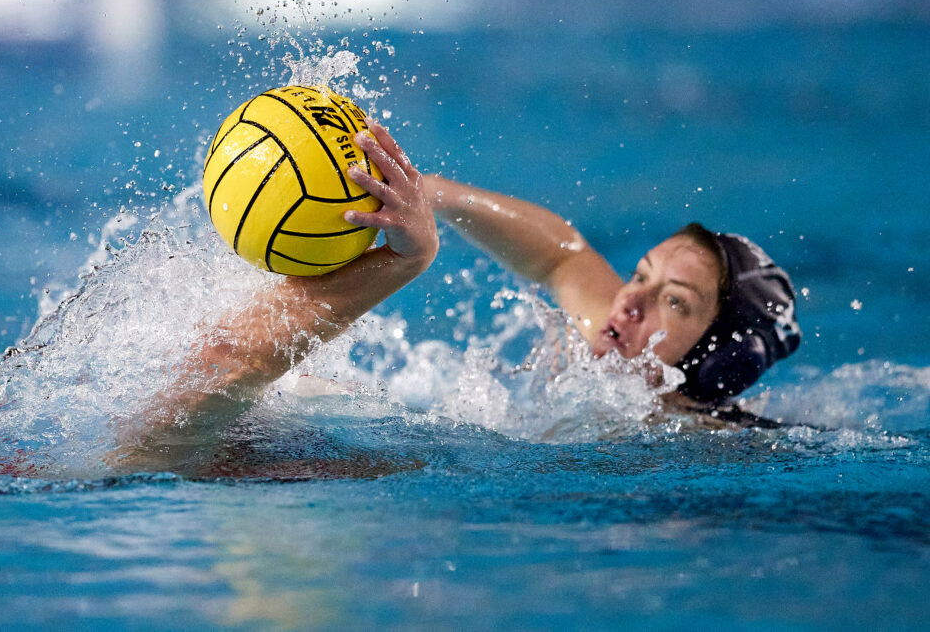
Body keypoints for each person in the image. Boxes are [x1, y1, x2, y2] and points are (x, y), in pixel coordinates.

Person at [110, 117, 439, 470]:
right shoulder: (138, 462)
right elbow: (224, 363)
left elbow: (221, 365)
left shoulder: (155, 459)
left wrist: (406, 259)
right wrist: (409, 256)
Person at [422, 175, 801, 413]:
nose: (629, 303)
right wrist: (432, 192)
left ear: (717, 359)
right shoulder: (616, 333)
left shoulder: (721, 452)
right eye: (640, 276)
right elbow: (561, 256)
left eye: (674, 301)